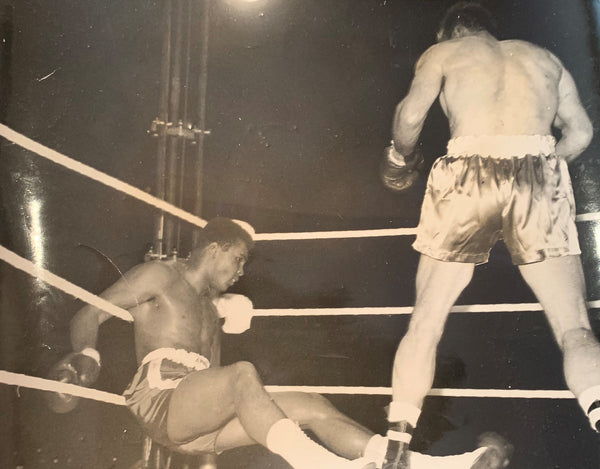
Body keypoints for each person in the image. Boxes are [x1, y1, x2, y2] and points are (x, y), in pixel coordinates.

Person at [46, 216, 510, 469]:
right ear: (214, 248)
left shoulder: (212, 309)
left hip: (198, 426)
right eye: (239, 258)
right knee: (244, 376)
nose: (242, 270)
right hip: (161, 402)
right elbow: (89, 311)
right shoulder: (158, 277)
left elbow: (211, 383)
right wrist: (85, 354)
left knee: (311, 403)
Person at [379, 2, 600, 467]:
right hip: (538, 171)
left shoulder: (445, 53)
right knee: (575, 327)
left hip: (467, 174)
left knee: (426, 321)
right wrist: (538, 171)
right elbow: (580, 132)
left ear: (452, 30)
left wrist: (399, 158)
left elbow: (412, 116)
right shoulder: (543, 58)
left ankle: (396, 446)